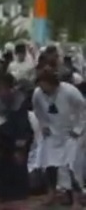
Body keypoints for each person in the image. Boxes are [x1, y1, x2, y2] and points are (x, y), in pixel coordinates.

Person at [32, 68, 86, 207]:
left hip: (72, 133)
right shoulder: (38, 94)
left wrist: (78, 129)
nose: (43, 89)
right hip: (52, 132)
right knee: (49, 163)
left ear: (53, 83)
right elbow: (37, 110)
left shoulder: (70, 91)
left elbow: (83, 110)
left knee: (72, 166)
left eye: (45, 85)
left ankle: (76, 198)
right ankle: (52, 193)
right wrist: (43, 125)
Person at [0, 73, 33, 203]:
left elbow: (23, 126)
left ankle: (19, 194)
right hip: (2, 138)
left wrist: (20, 148)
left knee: (17, 164)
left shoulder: (20, 101)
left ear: (9, 88)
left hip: (20, 137)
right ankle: (1, 193)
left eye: (1, 88)